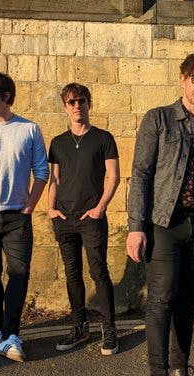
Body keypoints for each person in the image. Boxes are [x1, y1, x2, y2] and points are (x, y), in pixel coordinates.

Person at [126, 52, 194, 376]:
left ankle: (180, 372)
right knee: (161, 300)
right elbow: (141, 173)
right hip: (163, 224)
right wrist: (136, 226)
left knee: (186, 301)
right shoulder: (159, 119)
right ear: (184, 79)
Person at [0, 71, 49, 362]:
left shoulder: (29, 129)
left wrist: (29, 208)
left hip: (17, 216)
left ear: (6, 95)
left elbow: (42, 171)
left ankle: (11, 334)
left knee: (19, 273)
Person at [48, 83, 120, 355]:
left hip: (92, 217)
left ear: (89, 104)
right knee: (72, 273)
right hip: (64, 218)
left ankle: (109, 329)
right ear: (65, 107)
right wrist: (50, 208)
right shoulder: (57, 143)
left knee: (99, 272)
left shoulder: (103, 138)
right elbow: (54, 179)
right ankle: (79, 327)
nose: (77, 105)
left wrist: (100, 207)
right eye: (72, 102)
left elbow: (113, 176)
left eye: (82, 101)